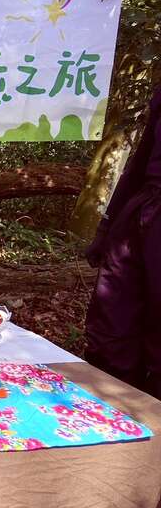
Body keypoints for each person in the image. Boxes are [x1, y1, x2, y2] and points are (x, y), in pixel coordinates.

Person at [85, 86, 161, 399]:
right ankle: (106, 404)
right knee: (113, 320)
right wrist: (107, 224)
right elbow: (141, 161)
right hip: (141, 214)